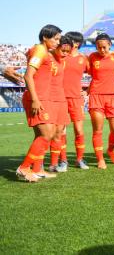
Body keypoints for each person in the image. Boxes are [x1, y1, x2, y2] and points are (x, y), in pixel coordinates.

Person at [16, 24, 62, 182]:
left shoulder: (45, 52)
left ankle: (37, 169)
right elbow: (28, 76)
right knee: (46, 134)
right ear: (45, 37)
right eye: (55, 39)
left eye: (59, 39)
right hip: (38, 99)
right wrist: (35, 99)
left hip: (43, 98)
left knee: (43, 135)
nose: (58, 42)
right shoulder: (40, 50)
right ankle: (24, 168)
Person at [87, 33, 114, 169]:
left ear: (110, 45)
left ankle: (110, 150)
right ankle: (100, 159)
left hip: (113, 96)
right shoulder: (92, 57)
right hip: (96, 95)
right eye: (99, 47)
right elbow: (91, 73)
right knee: (97, 130)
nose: (102, 50)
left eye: (104, 47)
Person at [59, 31, 90, 170]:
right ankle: (63, 161)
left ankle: (79, 159)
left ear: (76, 43)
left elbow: (97, 75)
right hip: (60, 98)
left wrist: (87, 91)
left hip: (76, 99)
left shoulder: (83, 59)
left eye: (69, 40)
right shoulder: (60, 56)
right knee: (61, 131)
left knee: (79, 130)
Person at [48, 36, 72, 173]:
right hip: (48, 100)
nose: (65, 53)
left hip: (61, 100)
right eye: (63, 50)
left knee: (59, 133)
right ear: (56, 46)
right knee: (47, 134)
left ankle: (53, 164)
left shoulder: (63, 62)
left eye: (68, 51)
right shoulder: (46, 57)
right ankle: (35, 163)